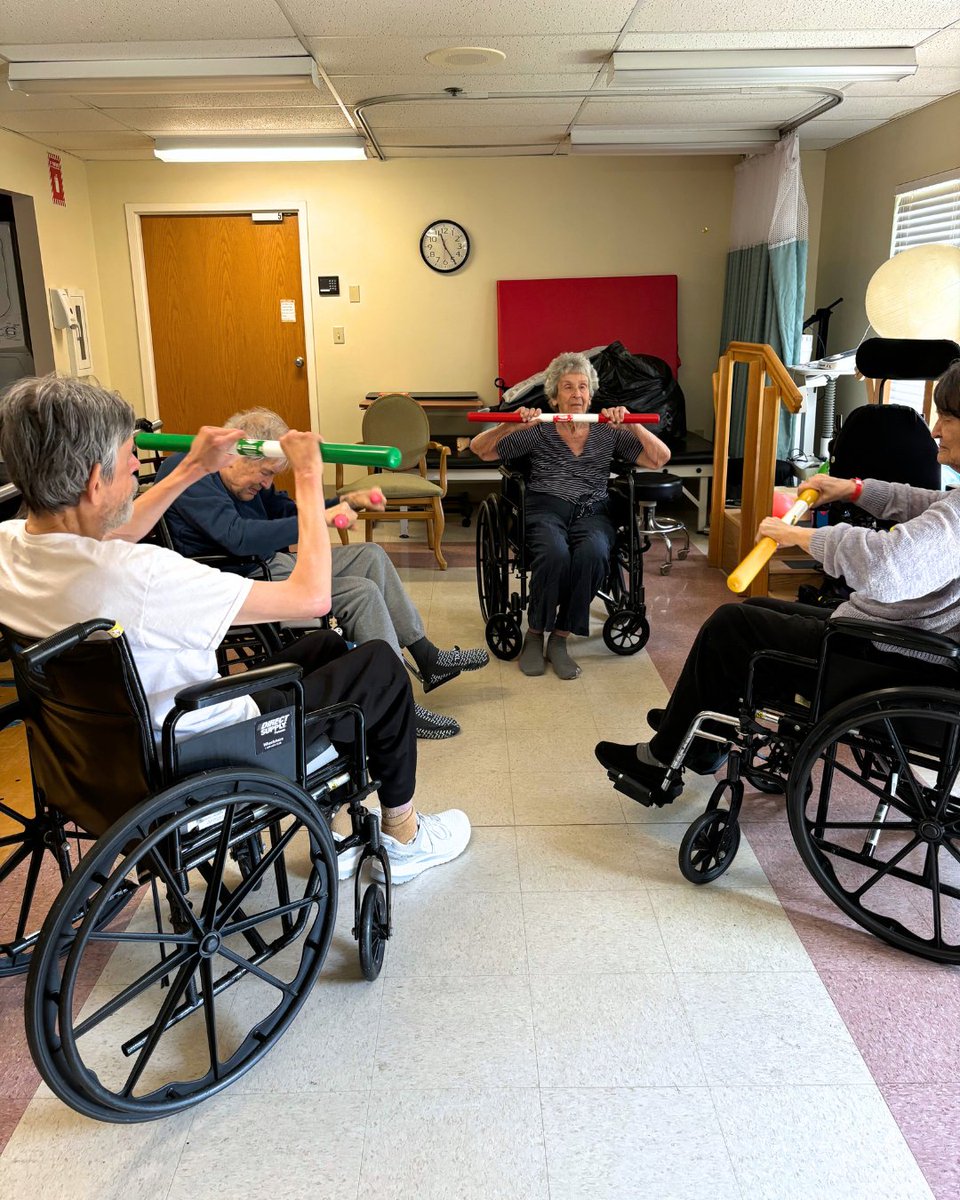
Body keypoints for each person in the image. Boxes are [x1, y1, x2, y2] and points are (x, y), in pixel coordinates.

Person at [0, 376, 470, 883]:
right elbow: (311, 598)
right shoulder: (145, 577)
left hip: (95, 763)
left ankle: (333, 822)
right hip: (204, 751)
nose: (137, 464)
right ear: (96, 481)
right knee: (378, 666)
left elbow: (118, 529)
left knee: (328, 646)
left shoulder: (10, 544)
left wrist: (192, 468)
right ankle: (405, 835)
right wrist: (309, 477)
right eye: (129, 454)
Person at [595, 358, 960, 806]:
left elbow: (887, 568)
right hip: (909, 648)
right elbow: (931, 503)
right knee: (755, 610)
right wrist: (856, 490)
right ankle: (697, 730)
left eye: (947, 417)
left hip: (888, 657)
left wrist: (802, 537)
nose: (935, 430)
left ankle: (661, 758)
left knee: (732, 625)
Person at [154, 407, 489, 741]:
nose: (268, 483)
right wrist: (317, 519)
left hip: (269, 562)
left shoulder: (246, 479)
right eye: (266, 473)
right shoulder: (192, 471)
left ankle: (426, 656)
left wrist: (344, 502)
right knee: (361, 593)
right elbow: (237, 537)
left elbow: (288, 510)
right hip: (238, 578)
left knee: (370, 555)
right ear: (239, 454)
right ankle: (399, 706)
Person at [470, 351, 671, 678]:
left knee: (594, 552)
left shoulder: (607, 431)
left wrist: (632, 424)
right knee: (554, 553)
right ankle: (535, 634)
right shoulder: (540, 430)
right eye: (567, 387)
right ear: (554, 397)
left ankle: (560, 637)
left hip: (593, 510)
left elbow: (659, 458)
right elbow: (481, 450)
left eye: (582, 387)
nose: (576, 394)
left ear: (590, 395)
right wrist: (511, 424)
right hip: (545, 507)